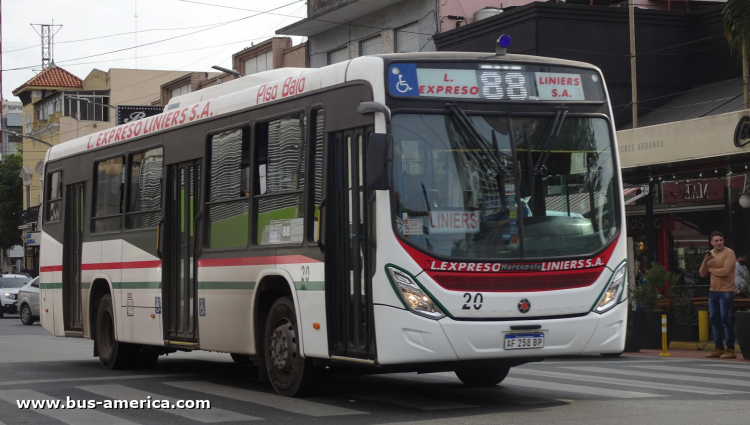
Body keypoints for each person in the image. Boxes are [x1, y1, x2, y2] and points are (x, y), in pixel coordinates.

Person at [700, 231, 737, 359]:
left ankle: (730, 348)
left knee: (726, 319)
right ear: (711, 242)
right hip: (713, 291)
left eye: (721, 240)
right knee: (714, 320)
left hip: (726, 291)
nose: (719, 242)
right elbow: (702, 274)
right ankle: (719, 348)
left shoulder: (729, 253)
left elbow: (725, 272)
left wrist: (711, 269)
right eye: (716, 241)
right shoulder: (710, 254)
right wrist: (705, 262)